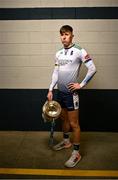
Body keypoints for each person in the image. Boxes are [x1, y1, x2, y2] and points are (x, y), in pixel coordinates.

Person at [47, 25, 96, 168]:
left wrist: (81, 84)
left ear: (72, 36)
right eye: (61, 34)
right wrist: (50, 89)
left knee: (74, 124)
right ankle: (66, 141)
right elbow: (56, 72)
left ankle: (76, 153)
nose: (64, 37)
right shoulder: (58, 53)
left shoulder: (79, 51)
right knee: (63, 119)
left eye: (66, 34)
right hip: (59, 93)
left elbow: (92, 69)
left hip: (71, 94)